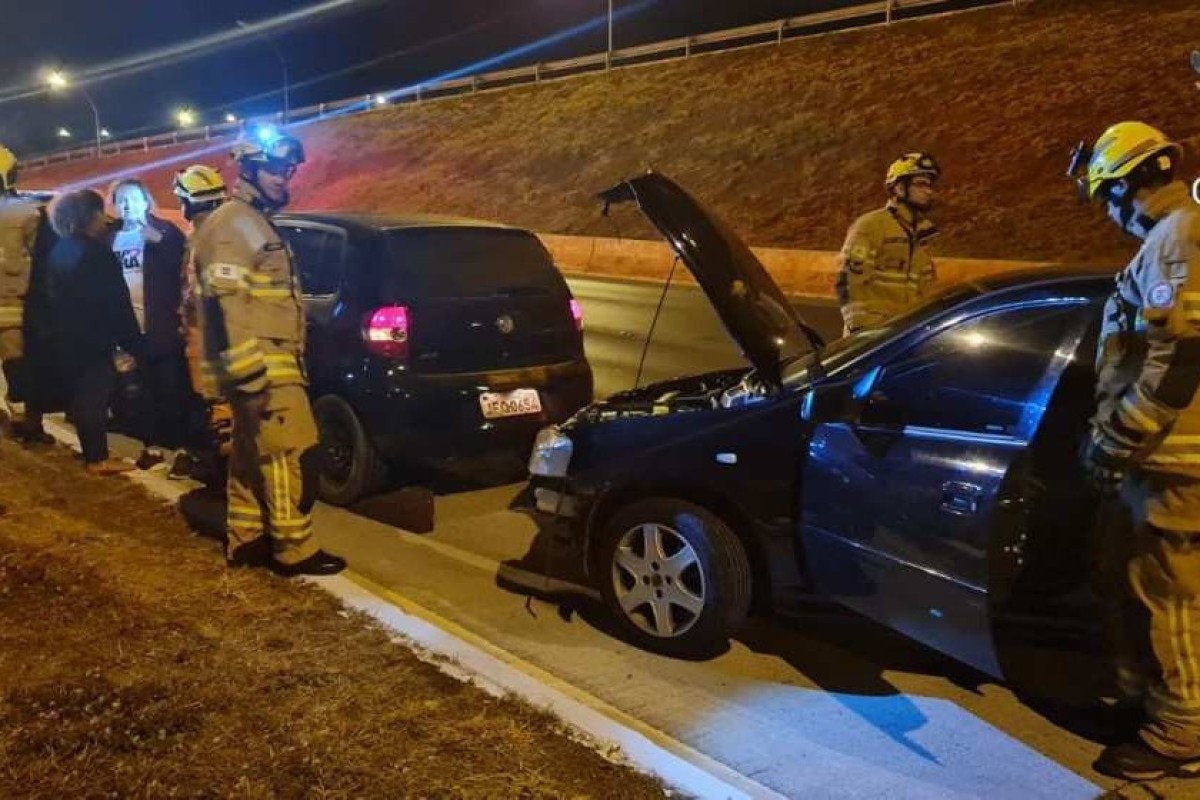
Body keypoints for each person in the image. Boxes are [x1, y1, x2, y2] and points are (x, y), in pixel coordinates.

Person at [1069, 121, 1200, 781]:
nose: (1110, 216)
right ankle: (1156, 701)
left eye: (1106, 199)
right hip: (1170, 456)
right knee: (1170, 592)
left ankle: (1178, 733)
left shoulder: (1178, 238)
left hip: (1174, 461)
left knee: (1169, 597)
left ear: (1125, 187)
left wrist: (1117, 438)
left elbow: (1180, 361)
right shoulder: (1176, 235)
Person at [192, 135, 344, 576]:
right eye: (276, 170)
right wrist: (250, 376)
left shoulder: (249, 221)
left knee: (249, 457)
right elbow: (229, 303)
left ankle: (248, 540)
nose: (284, 178)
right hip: (264, 368)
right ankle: (294, 549)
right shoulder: (236, 224)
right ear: (250, 170)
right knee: (292, 455)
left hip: (264, 365)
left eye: (289, 170)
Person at [45, 190, 141, 475]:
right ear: (89, 216)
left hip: (68, 335)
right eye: (101, 212)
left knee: (84, 396)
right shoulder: (96, 253)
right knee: (94, 396)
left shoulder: (61, 250)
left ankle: (93, 453)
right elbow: (115, 301)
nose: (105, 218)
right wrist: (131, 341)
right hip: (94, 337)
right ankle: (97, 458)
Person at [110, 178, 189, 469]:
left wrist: (158, 240)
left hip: (162, 326)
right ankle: (152, 446)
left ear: (146, 201)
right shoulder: (110, 238)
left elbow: (182, 269)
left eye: (133, 199)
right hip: (128, 329)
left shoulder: (164, 233)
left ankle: (181, 448)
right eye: (121, 200)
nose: (127, 206)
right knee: (140, 390)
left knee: (171, 388)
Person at [836, 153, 941, 335]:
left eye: (930, 185)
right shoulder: (871, 226)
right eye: (920, 184)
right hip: (873, 334)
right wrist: (860, 327)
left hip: (906, 332)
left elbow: (927, 288)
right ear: (899, 187)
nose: (928, 191)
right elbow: (850, 279)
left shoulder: (924, 234)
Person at [171, 164, 230, 483]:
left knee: (217, 410)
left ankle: (220, 476)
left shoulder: (200, 241)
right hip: (233, 338)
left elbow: (193, 297)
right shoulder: (232, 232)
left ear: (189, 202)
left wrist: (183, 323)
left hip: (206, 341)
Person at [0, 143, 60, 444]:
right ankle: (30, 426)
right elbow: (48, 264)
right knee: (23, 371)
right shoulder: (29, 215)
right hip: (19, 310)